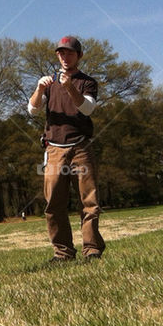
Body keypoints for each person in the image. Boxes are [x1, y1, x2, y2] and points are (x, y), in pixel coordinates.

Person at [28, 36, 105, 262]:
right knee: (53, 204)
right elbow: (32, 110)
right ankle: (62, 253)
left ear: (79, 56)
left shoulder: (86, 82)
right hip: (54, 149)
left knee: (89, 202)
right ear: (57, 56)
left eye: (70, 53)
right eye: (61, 53)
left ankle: (92, 250)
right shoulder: (48, 83)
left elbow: (88, 108)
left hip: (81, 147)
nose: (65, 57)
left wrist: (70, 87)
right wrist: (39, 89)